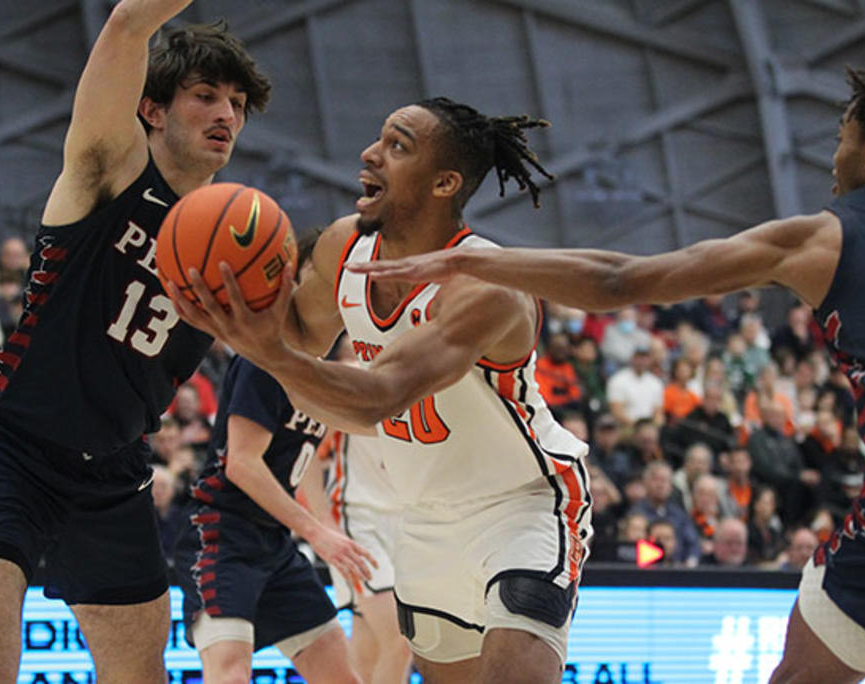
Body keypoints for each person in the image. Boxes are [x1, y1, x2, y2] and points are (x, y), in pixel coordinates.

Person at [353, 42, 865, 682]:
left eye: (843, 138)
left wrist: (474, 257)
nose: (835, 158)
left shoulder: (828, 234)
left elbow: (621, 280)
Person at [172, 97, 590, 684]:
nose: (369, 154)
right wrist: (223, 303)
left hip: (522, 505)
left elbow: (381, 395)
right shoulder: (345, 248)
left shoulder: (484, 284)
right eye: (379, 139)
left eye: (398, 146)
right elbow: (289, 347)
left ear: (445, 182)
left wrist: (262, 346)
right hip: (420, 518)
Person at [0, 3, 271, 681]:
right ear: (152, 109)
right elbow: (127, 22)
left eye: (237, 104)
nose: (226, 116)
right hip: (13, 448)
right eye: (205, 96)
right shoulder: (110, 170)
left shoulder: (238, 239)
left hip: (114, 471)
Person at [172, 354, 374, 683]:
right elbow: (242, 464)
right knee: (231, 675)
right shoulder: (263, 359)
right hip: (219, 533)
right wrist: (318, 531)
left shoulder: (322, 370)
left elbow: (372, 422)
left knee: (342, 676)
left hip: (272, 540)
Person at [304, 430, 412, 684]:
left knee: (369, 651)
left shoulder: (426, 392)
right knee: (400, 637)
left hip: (409, 520)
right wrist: (323, 521)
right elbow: (307, 452)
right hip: (357, 519)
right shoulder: (350, 392)